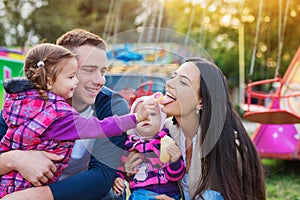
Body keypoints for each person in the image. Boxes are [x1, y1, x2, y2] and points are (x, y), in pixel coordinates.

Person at [0, 29, 154, 200]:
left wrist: (33, 197)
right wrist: (14, 159)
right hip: (17, 184)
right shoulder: (24, 103)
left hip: (76, 191)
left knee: (112, 193)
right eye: (89, 70)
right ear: (53, 74)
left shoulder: (112, 105)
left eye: (103, 71)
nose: (100, 80)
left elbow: (102, 176)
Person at [124, 58, 266, 200]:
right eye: (174, 77)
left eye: (183, 82)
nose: (168, 84)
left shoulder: (226, 147)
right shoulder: (163, 132)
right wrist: (130, 172)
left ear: (201, 101)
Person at [113, 95, 185, 200]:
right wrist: (118, 178)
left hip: (170, 193)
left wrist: (175, 160)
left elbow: (176, 176)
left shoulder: (166, 141)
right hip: (141, 193)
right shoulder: (129, 146)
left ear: (161, 120)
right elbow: (119, 167)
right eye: (141, 114)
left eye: (152, 114)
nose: (147, 118)